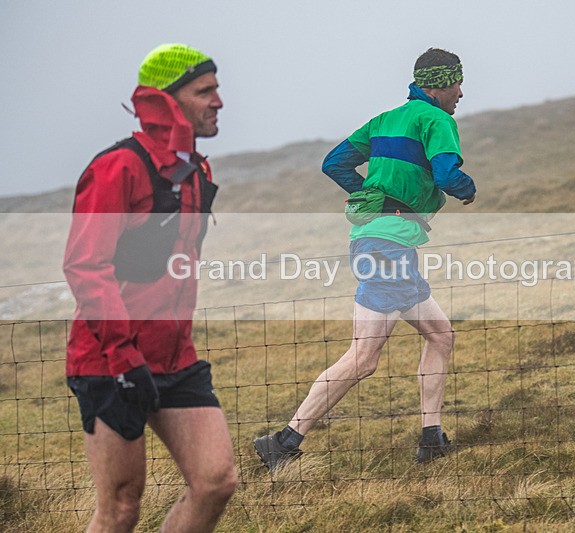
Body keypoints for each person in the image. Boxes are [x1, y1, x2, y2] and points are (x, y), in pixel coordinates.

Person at [254, 47, 476, 470]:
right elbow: (447, 174)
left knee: (441, 335)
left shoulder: (384, 120)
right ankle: (283, 442)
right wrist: (467, 190)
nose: (461, 93)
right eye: (457, 83)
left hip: (380, 243)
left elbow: (334, 163)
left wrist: (370, 195)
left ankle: (431, 439)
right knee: (363, 358)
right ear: (439, 85)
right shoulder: (437, 120)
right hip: (387, 248)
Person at [63, 43, 236, 532]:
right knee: (120, 508)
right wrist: (122, 355)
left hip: (175, 358)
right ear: (166, 100)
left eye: (217, 89)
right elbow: (85, 265)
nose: (219, 101)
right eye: (204, 91)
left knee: (215, 481)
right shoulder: (118, 167)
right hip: (110, 360)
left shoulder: (194, 169)